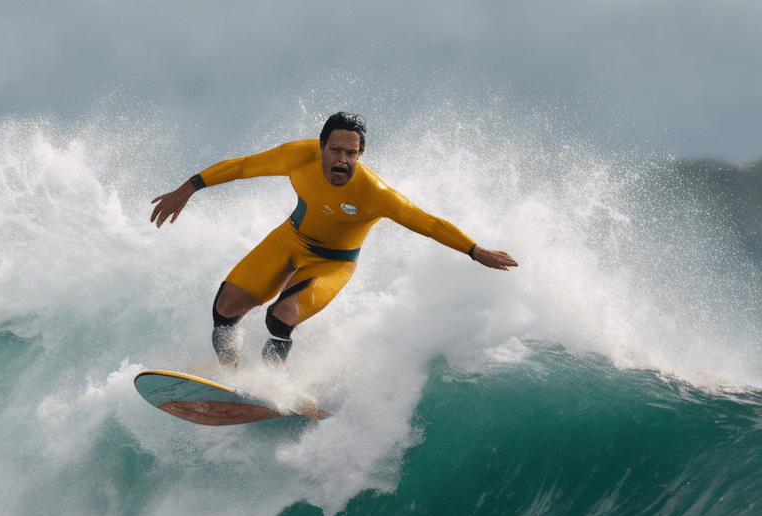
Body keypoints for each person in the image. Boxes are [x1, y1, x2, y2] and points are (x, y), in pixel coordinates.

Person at [150, 112, 517, 365]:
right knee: (225, 308)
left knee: (281, 317)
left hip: (333, 262)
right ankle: (230, 379)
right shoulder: (298, 156)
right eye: (335, 151)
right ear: (321, 146)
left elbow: (428, 223)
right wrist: (189, 188)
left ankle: (271, 387)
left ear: (361, 154)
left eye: (351, 153)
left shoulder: (374, 192)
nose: (342, 160)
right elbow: (243, 166)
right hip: (289, 240)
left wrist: (474, 250)